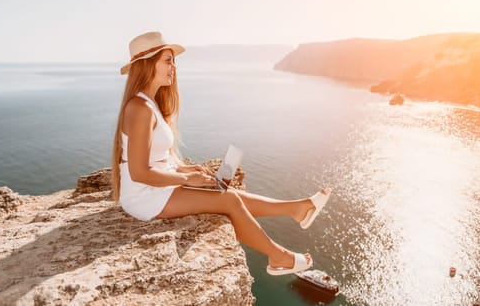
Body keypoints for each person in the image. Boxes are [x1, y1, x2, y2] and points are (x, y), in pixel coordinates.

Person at [111, 31, 332, 276]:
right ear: (146, 64)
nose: (174, 67)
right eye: (167, 60)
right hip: (144, 197)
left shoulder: (149, 103)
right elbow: (139, 172)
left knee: (224, 191)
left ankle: (296, 209)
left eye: (174, 61)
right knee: (228, 200)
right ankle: (279, 257)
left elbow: (157, 158)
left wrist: (186, 169)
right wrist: (186, 180)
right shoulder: (139, 107)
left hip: (157, 188)